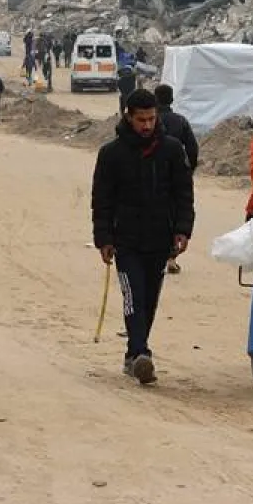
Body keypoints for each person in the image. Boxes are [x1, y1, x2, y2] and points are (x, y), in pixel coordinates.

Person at [91, 88, 195, 385]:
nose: (147, 125)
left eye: (151, 119)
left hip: (160, 240)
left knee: (149, 299)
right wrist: (103, 238)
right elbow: (102, 199)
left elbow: (183, 194)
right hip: (126, 241)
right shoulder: (111, 154)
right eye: (141, 120)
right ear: (129, 117)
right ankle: (140, 353)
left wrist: (182, 229)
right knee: (133, 296)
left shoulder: (172, 150)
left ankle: (133, 355)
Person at [153, 83, 199, 274]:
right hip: (177, 175)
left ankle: (155, 255)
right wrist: (189, 170)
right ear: (171, 100)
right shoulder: (180, 121)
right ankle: (170, 256)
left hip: (153, 175)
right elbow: (193, 148)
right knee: (176, 214)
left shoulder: (150, 122)